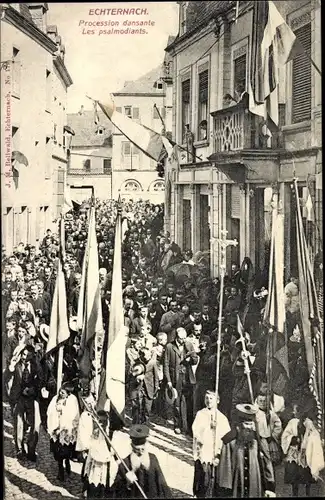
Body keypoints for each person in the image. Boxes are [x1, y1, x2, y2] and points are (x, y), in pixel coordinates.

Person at [228, 403, 276, 497]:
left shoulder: (260, 441)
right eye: (246, 424)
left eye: (251, 424)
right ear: (240, 426)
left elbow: (267, 464)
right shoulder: (232, 441)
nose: (249, 427)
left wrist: (270, 487)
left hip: (255, 487)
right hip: (237, 487)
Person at [4, 344, 43, 461]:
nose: (25, 358)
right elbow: (6, 378)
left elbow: (41, 381)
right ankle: (20, 449)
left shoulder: (36, 366)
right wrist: (11, 367)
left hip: (32, 398)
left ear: (32, 356)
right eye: (24, 355)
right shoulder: (15, 365)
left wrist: (33, 390)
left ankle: (31, 450)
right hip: (19, 398)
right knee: (19, 424)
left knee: (35, 425)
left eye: (28, 356)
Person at [111, 424, 171, 498]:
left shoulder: (153, 459)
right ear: (132, 447)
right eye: (137, 450)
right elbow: (115, 492)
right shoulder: (125, 464)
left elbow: (162, 485)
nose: (141, 453)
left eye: (143, 449)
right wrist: (126, 482)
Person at [192, 390, 232, 498]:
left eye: (211, 399)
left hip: (215, 450)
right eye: (207, 398)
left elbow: (226, 435)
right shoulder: (200, 414)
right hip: (203, 449)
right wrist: (201, 436)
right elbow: (195, 430)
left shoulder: (222, 418)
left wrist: (216, 427)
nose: (208, 401)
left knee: (213, 478)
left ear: (217, 401)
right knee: (202, 475)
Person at [281, 404, 325, 497]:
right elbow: (285, 436)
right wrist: (293, 439)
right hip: (294, 453)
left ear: (301, 412)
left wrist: (308, 441)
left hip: (305, 453)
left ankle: (308, 493)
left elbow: (314, 436)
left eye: (295, 411)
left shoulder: (309, 423)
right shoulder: (292, 422)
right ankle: (294, 494)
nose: (294, 413)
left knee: (306, 477)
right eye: (294, 411)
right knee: (294, 477)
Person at [163, 327, 198, 434]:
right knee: (177, 403)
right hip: (175, 378)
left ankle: (189, 427)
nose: (182, 340)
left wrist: (191, 359)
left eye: (184, 338)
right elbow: (166, 364)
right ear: (176, 337)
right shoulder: (169, 346)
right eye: (180, 338)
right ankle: (177, 424)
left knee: (189, 403)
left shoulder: (189, 345)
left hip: (187, 377)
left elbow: (195, 360)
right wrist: (168, 380)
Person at [47, 382, 80, 481]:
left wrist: (63, 409)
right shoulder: (55, 398)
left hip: (66, 430)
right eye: (61, 392)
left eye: (64, 393)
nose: (61, 394)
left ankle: (66, 463)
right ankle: (60, 469)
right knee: (57, 452)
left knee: (65, 451)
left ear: (69, 394)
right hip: (56, 429)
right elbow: (50, 411)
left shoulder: (72, 400)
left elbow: (73, 415)